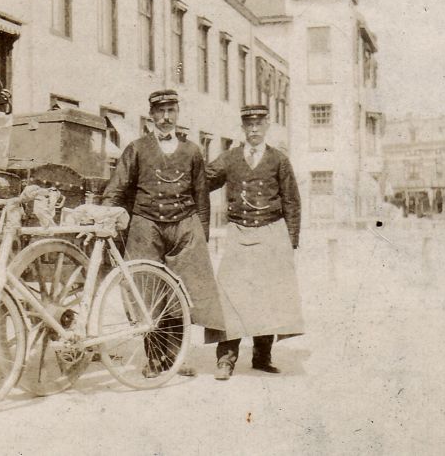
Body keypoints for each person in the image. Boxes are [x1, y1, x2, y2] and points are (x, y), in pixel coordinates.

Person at [102, 89, 225, 378]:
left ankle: (175, 357)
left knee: (184, 290)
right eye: (160, 112)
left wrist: (201, 234)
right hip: (146, 226)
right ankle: (154, 359)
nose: (166, 117)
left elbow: (201, 196)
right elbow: (117, 188)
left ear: (178, 114)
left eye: (171, 111)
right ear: (151, 115)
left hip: (184, 225)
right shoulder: (136, 148)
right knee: (147, 291)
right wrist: (106, 216)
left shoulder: (192, 151)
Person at [204, 104, 305, 380]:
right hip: (239, 231)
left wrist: (290, 241)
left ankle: (262, 356)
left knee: (268, 296)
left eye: (259, 124)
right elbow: (203, 181)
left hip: (272, 232)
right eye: (249, 125)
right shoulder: (229, 158)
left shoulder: (279, 160)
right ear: (243, 128)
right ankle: (225, 360)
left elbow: (292, 201)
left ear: (267, 126)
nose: (254, 130)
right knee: (229, 295)